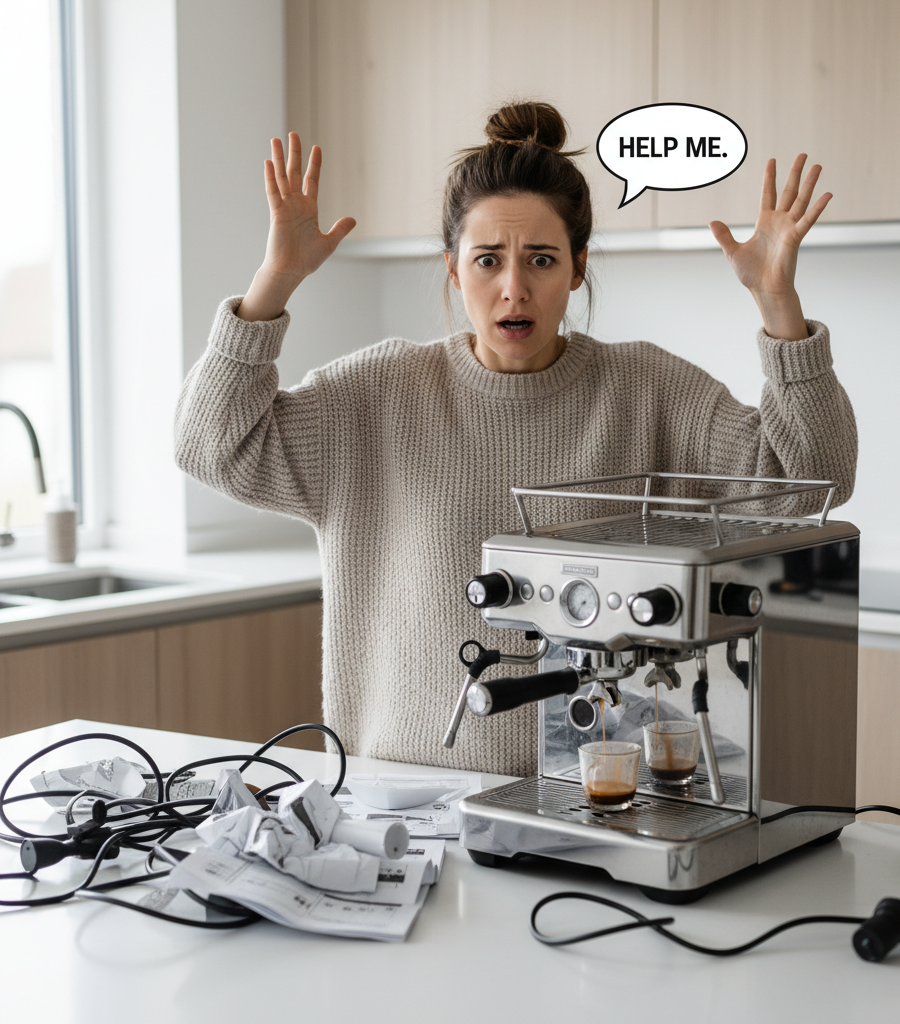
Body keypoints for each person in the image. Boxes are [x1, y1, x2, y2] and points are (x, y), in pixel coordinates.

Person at [175, 102, 856, 777]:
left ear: (577, 267)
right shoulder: (378, 392)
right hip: (402, 795)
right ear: (453, 267)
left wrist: (777, 302)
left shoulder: (648, 390)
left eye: (541, 260)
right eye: (487, 260)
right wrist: (275, 282)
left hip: (599, 793)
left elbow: (809, 483)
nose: (513, 289)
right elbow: (209, 445)